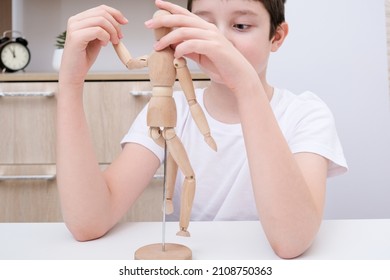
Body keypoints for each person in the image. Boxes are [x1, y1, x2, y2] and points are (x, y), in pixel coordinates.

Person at [57, 0, 347, 259]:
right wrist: (70, 83)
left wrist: (245, 85)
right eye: (203, 25)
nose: (217, 39)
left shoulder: (306, 115)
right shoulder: (176, 109)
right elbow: (89, 222)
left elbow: (291, 241)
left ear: (277, 36)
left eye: (241, 25)